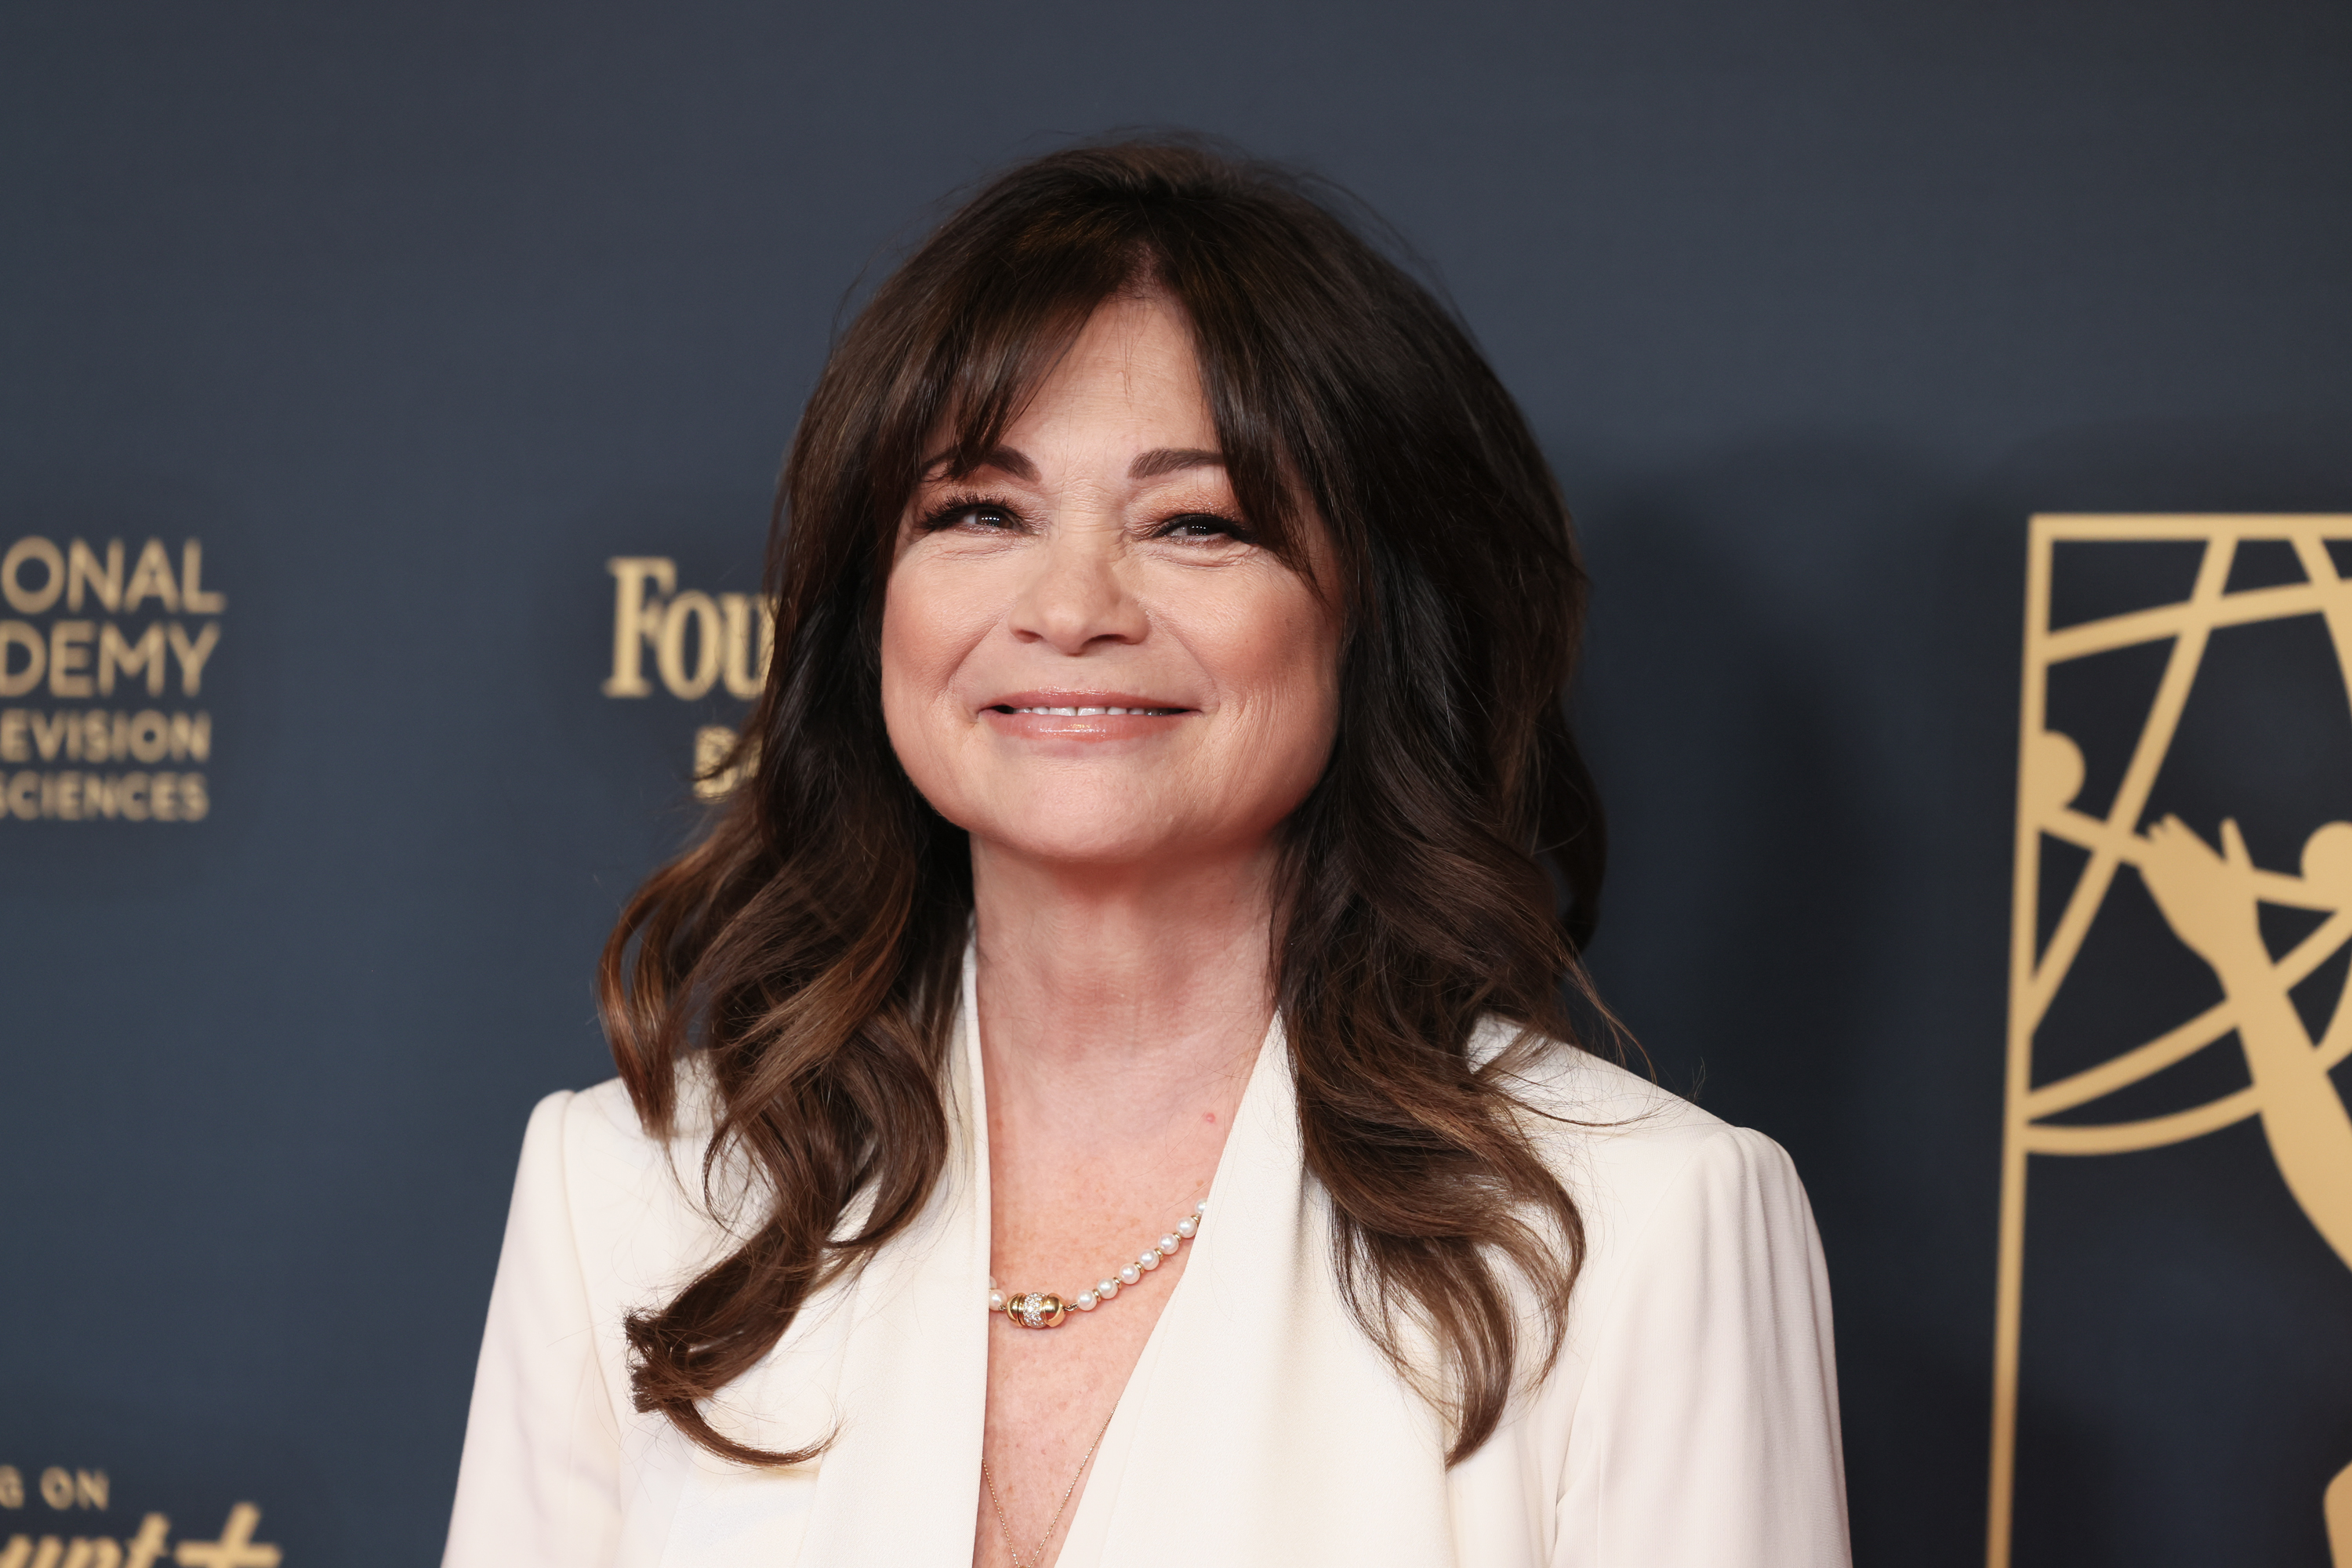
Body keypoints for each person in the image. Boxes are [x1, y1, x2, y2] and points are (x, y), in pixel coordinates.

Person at [442, 138, 1850, 1568]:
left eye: (1196, 523)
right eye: (980, 512)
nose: (1069, 607)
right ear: (874, 607)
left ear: (1373, 617)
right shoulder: (629, 1192)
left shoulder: (1636, 1233)